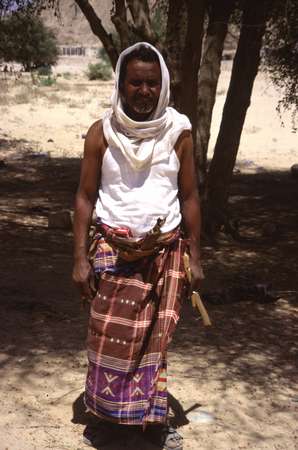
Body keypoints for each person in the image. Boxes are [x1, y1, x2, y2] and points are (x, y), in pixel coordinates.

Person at [73, 42, 203, 450]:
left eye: (152, 83)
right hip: (111, 249)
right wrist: (79, 257)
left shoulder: (179, 133)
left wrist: (195, 256)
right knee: (107, 339)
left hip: (164, 253)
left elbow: (191, 197)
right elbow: (83, 197)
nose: (144, 91)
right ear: (121, 85)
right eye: (136, 82)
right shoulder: (101, 133)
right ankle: (105, 419)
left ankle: (153, 423)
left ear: (162, 85)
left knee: (154, 345)